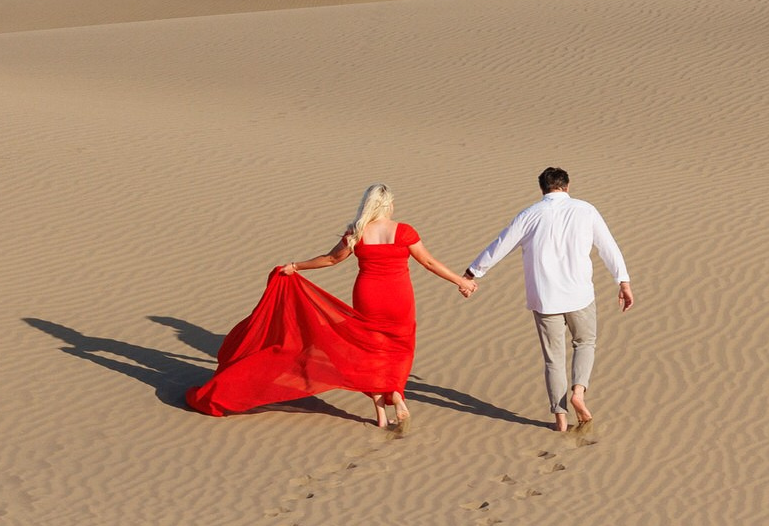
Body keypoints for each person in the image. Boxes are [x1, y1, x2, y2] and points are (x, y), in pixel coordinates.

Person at [186, 184, 475, 430]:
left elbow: (331, 259)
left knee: (369, 348)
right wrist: (460, 282)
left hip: (368, 294)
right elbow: (428, 262)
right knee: (399, 346)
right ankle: (397, 395)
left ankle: (380, 413)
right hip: (398, 296)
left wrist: (295, 266)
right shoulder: (404, 231)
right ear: (389, 205)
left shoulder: (358, 230)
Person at [462, 168, 632, 432]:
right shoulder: (585, 210)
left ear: (542, 188)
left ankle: (560, 420)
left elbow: (501, 245)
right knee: (585, 342)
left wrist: (473, 272)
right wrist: (622, 280)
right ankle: (579, 391)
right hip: (580, 295)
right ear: (567, 185)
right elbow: (607, 246)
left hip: (545, 297)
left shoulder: (529, 214)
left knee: (554, 359)